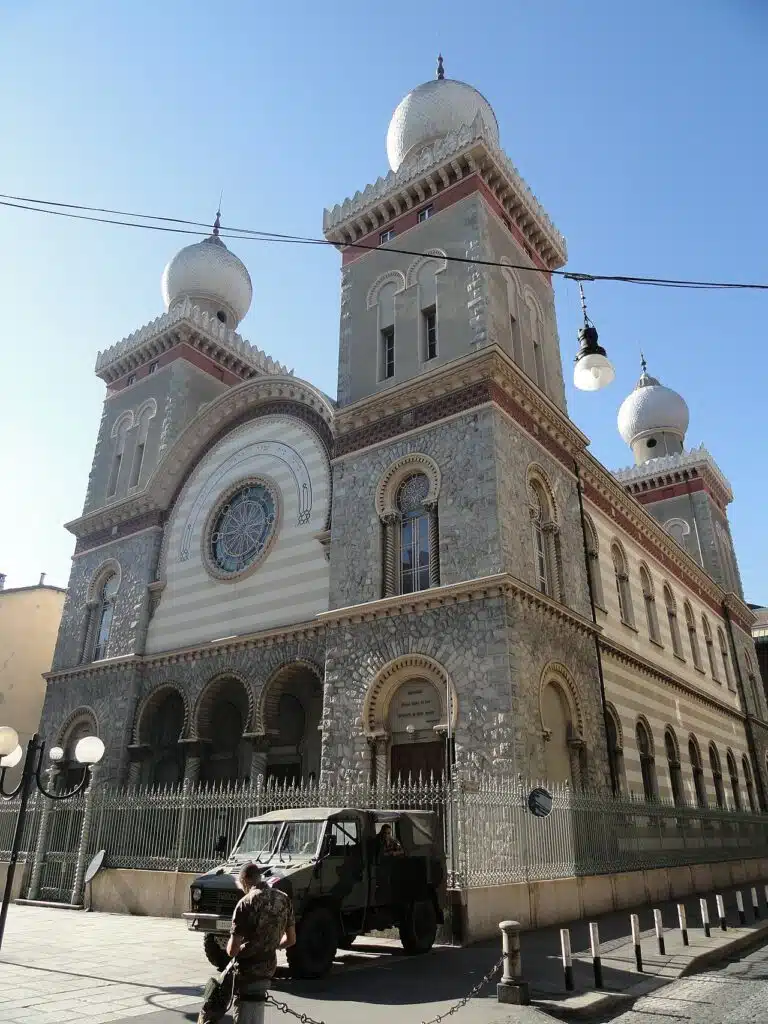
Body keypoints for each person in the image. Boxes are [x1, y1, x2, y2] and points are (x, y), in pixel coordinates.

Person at [198, 861, 296, 1024]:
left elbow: (232, 951)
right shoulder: (284, 899)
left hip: (247, 970)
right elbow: (291, 939)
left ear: (244, 881)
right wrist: (271, 944)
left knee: (216, 995)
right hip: (269, 967)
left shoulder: (246, 903)